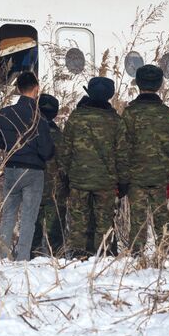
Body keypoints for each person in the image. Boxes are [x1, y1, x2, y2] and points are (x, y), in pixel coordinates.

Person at [0, 71, 56, 261]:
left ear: (17, 89)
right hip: (33, 172)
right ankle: (22, 258)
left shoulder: (6, 112)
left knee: (8, 215)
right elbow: (47, 151)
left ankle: (1, 257)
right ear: (37, 89)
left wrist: (7, 144)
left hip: (11, 169)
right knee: (28, 219)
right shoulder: (39, 116)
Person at [116, 64, 169, 255]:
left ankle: (136, 253)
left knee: (138, 217)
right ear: (159, 84)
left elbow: (122, 148)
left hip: (136, 176)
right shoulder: (167, 114)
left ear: (138, 83)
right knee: (162, 215)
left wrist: (123, 177)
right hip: (159, 176)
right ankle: (166, 253)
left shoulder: (130, 113)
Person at [59, 76, 120, 258]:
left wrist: (65, 174)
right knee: (104, 221)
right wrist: (123, 179)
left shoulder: (76, 117)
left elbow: (65, 150)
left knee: (79, 220)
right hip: (106, 181)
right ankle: (104, 254)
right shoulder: (115, 120)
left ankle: (79, 255)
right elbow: (122, 153)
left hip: (79, 179)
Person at [34, 94, 65, 256]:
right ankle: (58, 259)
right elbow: (65, 164)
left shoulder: (30, 133)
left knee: (33, 230)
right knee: (56, 232)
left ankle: (30, 259)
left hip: (33, 188)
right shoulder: (59, 136)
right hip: (55, 191)